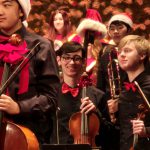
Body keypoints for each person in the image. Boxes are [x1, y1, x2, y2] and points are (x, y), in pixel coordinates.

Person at [0, 0, 60, 146]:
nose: (0, 11)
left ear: (21, 11)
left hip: (28, 136)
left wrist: (19, 107)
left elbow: (51, 99)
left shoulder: (41, 46)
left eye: (6, 5)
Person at [50, 41, 109, 149]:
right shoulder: (51, 94)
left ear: (83, 62)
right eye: (66, 58)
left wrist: (96, 113)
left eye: (77, 58)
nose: (72, 62)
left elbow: (110, 134)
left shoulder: (98, 95)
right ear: (59, 60)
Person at [96, 12, 133, 150]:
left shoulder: (139, 52)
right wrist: (105, 109)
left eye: (120, 27)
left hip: (131, 111)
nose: (115, 31)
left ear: (129, 29)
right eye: (112, 28)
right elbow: (101, 85)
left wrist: (121, 102)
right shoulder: (105, 54)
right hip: (110, 112)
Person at [108, 35, 150, 150]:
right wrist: (112, 115)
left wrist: (146, 131)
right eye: (120, 51)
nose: (121, 55)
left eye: (127, 51)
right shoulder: (123, 91)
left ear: (142, 55)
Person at [76, 8, 107, 85]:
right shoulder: (77, 58)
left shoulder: (101, 60)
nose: (88, 38)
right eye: (86, 34)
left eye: (91, 34)